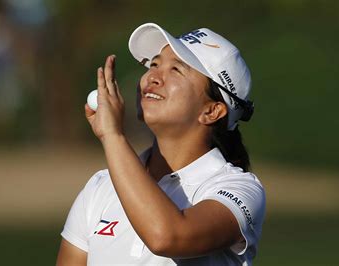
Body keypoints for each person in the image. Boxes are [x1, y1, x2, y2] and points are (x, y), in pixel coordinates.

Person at [56, 22, 266, 265]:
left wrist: (113, 136)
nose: (152, 77)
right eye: (154, 64)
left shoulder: (240, 189)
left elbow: (166, 236)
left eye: (176, 70)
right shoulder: (99, 187)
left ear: (212, 111)